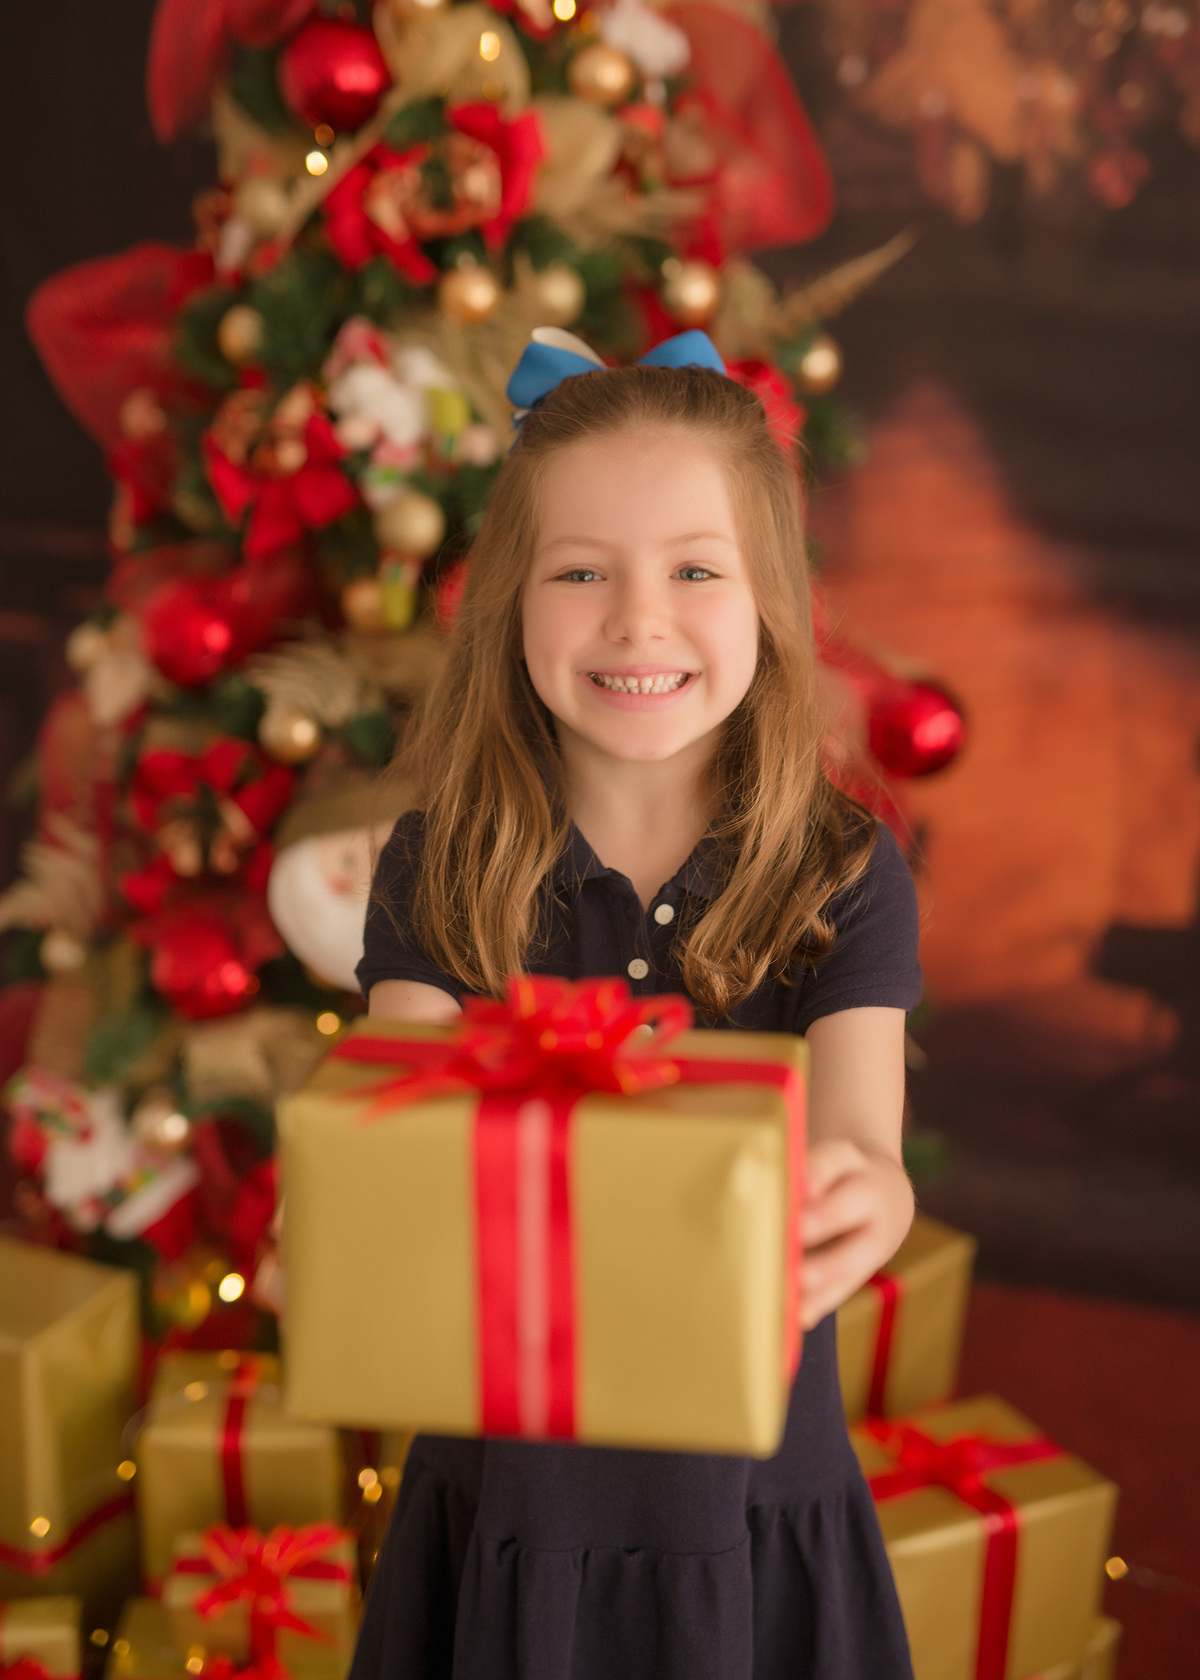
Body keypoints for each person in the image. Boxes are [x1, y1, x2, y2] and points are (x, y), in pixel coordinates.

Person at [351, 329, 921, 1680]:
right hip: (509, 1507)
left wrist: (861, 1204)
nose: (637, 620)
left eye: (694, 571)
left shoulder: (841, 873)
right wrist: (357, 1192)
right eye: (581, 572)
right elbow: (396, 1108)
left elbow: (864, 1146)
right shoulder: (443, 865)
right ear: (510, 602)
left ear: (770, 600)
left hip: (754, 1505)